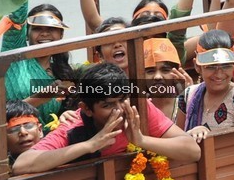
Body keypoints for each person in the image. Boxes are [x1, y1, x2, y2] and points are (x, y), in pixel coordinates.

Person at [13, 63, 201, 174]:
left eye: (122, 100)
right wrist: (91, 145)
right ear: (86, 109)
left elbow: (193, 151)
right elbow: (21, 165)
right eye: (107, 105)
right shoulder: (73, 125)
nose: (119, 110)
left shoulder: (139, 111)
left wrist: (142, 140)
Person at [177, 31, 234, 141]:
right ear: (197, 67)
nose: (219, 74)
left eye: (226, 66)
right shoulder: (188, 95)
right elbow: (177, 139)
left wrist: (208, 135)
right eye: (211, 67)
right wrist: (192, 133)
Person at [6, 100, 45, 170]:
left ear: (40, 130)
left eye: (28, 126)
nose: (23, 132)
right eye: (14, 129)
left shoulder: (57, 151)